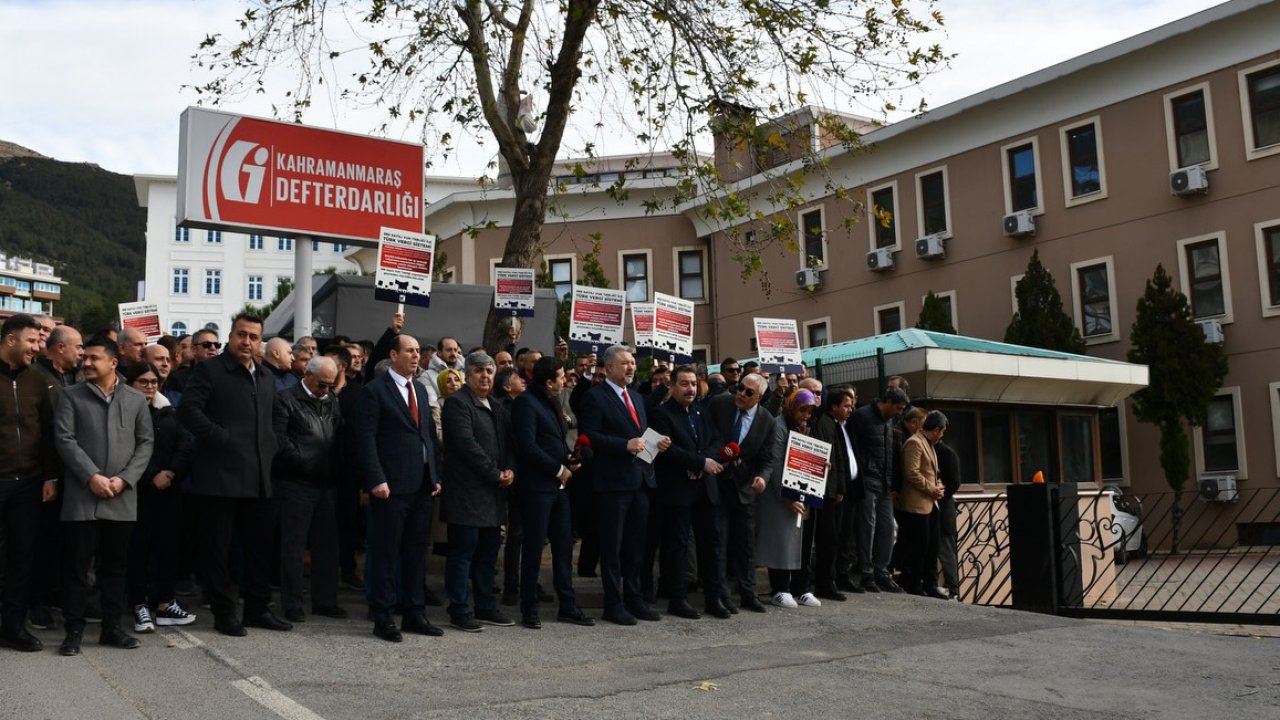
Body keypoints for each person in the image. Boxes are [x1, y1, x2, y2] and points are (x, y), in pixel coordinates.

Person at [177, 312, 288, 636]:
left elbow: (278, 415)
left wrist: (273, 443)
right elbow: (187, 410)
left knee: (258, 548)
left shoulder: (265, 376)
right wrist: (220, 437)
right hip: (220, 476)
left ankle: (257, 609)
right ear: (231, 335)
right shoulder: (210, 371)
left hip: (258, 476)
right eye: (242, 334)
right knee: (219, 551)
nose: (247, 342)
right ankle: (225, 613)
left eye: (253, 337)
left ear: (260, 341)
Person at [53, 337, 154, 655]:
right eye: (85, 357)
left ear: (113, 363)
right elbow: (65, 439)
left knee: (115, 567)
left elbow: (145, 443)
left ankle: (112, 628)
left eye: (94, 358)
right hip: (83, 497)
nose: (86, 362)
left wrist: (124, 480)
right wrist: (91, 476)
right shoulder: (71, 395)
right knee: (77, 568)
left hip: (121, 497)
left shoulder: (136, 399)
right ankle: (74, 631)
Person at [356, 333, 443, 642]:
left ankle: (414, 613)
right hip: (389, 487)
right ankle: (383, 617)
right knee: (385, 554)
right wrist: (375, 479)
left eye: (418, 351)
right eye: (409, 351)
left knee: (416, 553)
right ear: (393, 355)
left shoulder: (419, 389)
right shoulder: (374, 391)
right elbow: (365, 439)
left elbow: (428, 436)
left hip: (421, 486)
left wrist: (434, 475)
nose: (416, 356)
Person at [577, 345, 671, 625]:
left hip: (639, 481)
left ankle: (634, 599)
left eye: (632, 363)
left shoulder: (637, 398)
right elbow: (588, 436)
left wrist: (657, 442)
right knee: (612, 546)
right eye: (624, 363)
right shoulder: (595, 397)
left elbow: (640, 436)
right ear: (608, 367)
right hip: (612, 484)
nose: (631, 367)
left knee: (635, 546)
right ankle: (613, 604)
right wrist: (623, 445)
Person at [510, 356, 595, 629]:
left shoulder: (553, 401)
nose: (564, 381)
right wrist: (558, 469)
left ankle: (567, 606)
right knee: (534, 548)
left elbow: (553, 441)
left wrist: (569, 459)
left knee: (562, 547)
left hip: (559, 487)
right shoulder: (526, 403)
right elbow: (528, 446)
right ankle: (529, 608)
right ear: (548, 381)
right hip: (537, 487)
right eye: (560, 377)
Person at [440, 351, 515, 632]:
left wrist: (510, 469)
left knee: (487, 554)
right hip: (467, 494)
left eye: (489, 371)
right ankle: (458, 609)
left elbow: (508, 444)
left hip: (494, 494)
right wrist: (496, 473)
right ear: (467, 374)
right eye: (479, 371)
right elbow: (466, 446)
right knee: (462, 554)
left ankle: (485, 606)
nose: (485, 376)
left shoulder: (496, 405)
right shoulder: (457, 404)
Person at [0, 314, 60, 653]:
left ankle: (13, 626)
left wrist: (50, 475)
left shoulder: (39, 381)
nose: (38, 348)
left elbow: (50, 432)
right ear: (11, 340)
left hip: (29, 483)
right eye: (32, 341)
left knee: (23, 556)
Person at [649, 365, 728, 619]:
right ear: (672, 385)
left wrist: (703, 462)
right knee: (677, 546)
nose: (690, 389)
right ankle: (677, 598)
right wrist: (697, 463)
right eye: (684, 383)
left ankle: (714, 597)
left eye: (693, 383)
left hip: (705, 488)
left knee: (712, 544)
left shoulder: (701, 412)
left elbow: (717, 441)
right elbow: (666, 450)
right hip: (677, 490)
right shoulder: (661, 414)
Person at [124, 362, 197, 635]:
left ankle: (166, 603)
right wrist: (152, 474)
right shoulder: (124, 411)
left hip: (169, 489)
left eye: (154, 382)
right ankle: (138, 604)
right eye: (143, 382)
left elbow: (185, 442)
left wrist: (172, 471)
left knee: (169, 547)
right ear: (130, 384)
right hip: (138, 491)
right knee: (139, 549)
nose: (150, 387)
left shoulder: (167, 410)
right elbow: (127, 450)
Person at [273, 356, 347, 623]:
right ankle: (292, 603)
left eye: (330, 385)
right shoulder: (285, 399)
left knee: (327, 544)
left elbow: (337, 433)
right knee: (294, 545)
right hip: (296, 482)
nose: (325, 390)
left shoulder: (331, 400)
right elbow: (280, 439)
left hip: (326, 482)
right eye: (321, 385)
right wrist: (305, 461)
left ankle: (325, 601)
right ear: (306, 374)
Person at [706, 371, 775, 613]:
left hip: (745, 489)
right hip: (717, 482)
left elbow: (768, 459)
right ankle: (721, 593)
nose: (741, 394)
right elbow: (707, 436)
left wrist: (762, 478)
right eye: (739, 387)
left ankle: (749, 594)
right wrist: (720, 455)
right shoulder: (720, 404)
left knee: (746, 545)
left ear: (760, 397)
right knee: (720, 541)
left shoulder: (767, 421)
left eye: (748, 392)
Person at [756, 390, 823, 609]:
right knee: (782, 541)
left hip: (802, 493)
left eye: (810, 411)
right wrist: (786, 496)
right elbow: (775, 463)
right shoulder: (779, 425)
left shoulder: (806, 428)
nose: (806, 415)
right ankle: (780, 588)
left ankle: (801, 588)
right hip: (781, 494)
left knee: (803, 540)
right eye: (802, 410)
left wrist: (819, 467)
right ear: (791, 407)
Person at [849, 386, 909, 594]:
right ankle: (866, 572)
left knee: (887, 528)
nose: (900, 413)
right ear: (888, 403)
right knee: (868, 528)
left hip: (883, 483)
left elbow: (889, 452)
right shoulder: (862, 416)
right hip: (867, 480)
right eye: (899, 408)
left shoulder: (888, 421)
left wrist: (891, 483)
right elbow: (853, 448)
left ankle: (881, 571)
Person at [810, 387, 855, 601]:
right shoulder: (823, 422)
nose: (850, 410)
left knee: (834, 538)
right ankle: (824, 583)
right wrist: (836, 488)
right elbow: (829, 457)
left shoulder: (835, 424)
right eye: (846, 406)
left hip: (834, 490)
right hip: (825, 491)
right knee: (827, 539)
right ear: (834, 406)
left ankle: (829, 580)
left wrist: (841, 488)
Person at [897, 411, 947, 597]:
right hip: (916, 504)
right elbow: (911, 473)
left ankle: (930, 583)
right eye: (942, 432)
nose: (942, 436)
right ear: (936, 430)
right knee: (919, 546)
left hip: (931, 503)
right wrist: (931, 488)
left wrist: (938, 486)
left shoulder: (928, 444)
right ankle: (914, 583)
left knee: (932, 544)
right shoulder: (914, 443)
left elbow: (930, 472)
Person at [935, 436, 962, 600]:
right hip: (936, 507)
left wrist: (939, 496)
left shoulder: (947, 453)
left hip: (943, 508)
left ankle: (953, 589)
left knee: (946, 551)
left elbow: (954, 482)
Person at [166, 327, 220, 394]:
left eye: (217, 345)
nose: (213, 348)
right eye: (206, 345)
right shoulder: (178, 379)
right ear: (194, 350)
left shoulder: (227, 377)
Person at [424, 335, 464, 407]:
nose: (453, 353)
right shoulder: (427, 376)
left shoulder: (464, 373)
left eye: (455, 350)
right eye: (449, 350)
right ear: (439, 352)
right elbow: (432, 404)